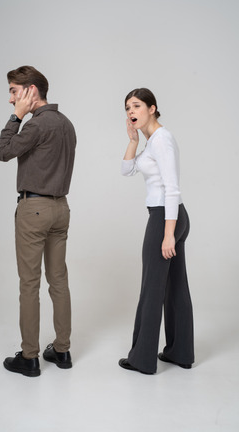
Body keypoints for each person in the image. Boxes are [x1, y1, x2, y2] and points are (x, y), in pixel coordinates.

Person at [0, 66, 76, 377]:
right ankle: (63, 350)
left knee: (29, 284)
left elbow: (2, 152)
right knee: (59, 281)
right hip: (62, 209)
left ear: (30, 91)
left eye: (15, 91)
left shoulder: (35, 125)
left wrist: (17, 116)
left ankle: (29, 357)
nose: (11, 98)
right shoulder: (66, 124)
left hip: (35, 210)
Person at [119, 88, 194, 375]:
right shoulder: (151, 142)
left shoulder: (162, 140)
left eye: (136, 106)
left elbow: (172, 189)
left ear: (152, 108)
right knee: (175, 287)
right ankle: (180, 352)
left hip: (166, 217)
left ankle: (142, 359)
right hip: (171, 217)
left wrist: (167, 234)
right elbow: (127, 170)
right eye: (127, 108)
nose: (130, 112)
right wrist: (132, 140)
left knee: (152, 288)